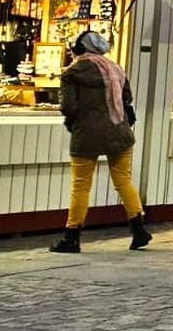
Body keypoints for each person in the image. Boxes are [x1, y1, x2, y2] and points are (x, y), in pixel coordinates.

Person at [51, 31, 150, 253]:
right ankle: (139, 230)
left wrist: (73, 123)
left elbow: (68, 106)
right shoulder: (116, 69)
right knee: (123, 181)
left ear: (79, 49)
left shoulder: (72, 73)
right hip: (119, 131)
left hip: (87, 134)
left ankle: (72, 237)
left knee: (81, 185)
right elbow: (127, 99)